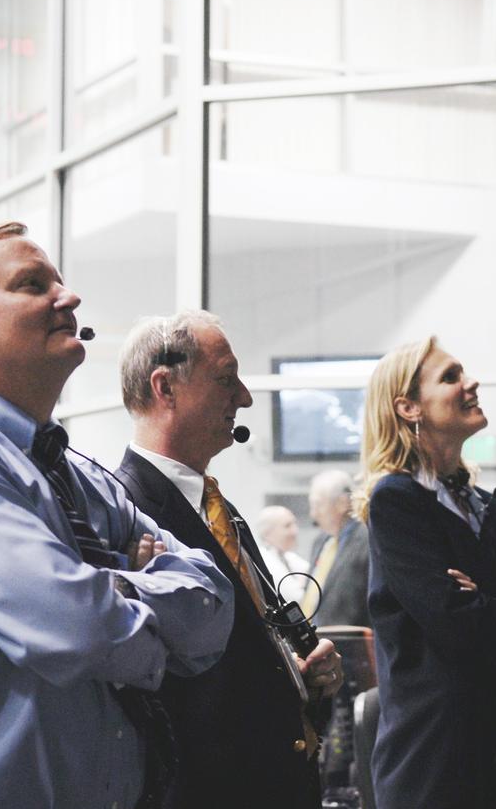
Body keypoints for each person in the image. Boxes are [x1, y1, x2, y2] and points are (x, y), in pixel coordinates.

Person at [0, 223, 235, 808]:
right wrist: (135, 604)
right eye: (32, 285)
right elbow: (79, 632)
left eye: (59, 281)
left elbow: (213, 603)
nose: (69, 298)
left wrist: (100, 590)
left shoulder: (77, 476)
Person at [114, 309, 344, 809]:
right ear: (165, 388)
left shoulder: (220, 508)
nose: (243, 397)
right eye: (225, 380)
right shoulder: (123, 510)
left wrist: (299, 678)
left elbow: (243, 650)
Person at [354, 336, 496, 809]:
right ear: (408, 407)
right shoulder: (397, 502)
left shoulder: (494, 512)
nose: (471, 383)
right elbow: (455, 622)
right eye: (450, 377)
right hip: (436, 767)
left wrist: (489, 604)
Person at [301, 469, 371, 627]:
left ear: (342, 503)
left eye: (318, 505)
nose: (313, 514)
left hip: (352, 641)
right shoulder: (320, 541)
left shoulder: (368, 539)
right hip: (316, 639)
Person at [255, 505, 311, 603]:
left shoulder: (288, 557)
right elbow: (297, 598)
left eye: (295, 524)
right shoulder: (264, 559)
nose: (295, 531)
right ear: (267, 532)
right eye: (287, 526)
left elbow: (316, 580)